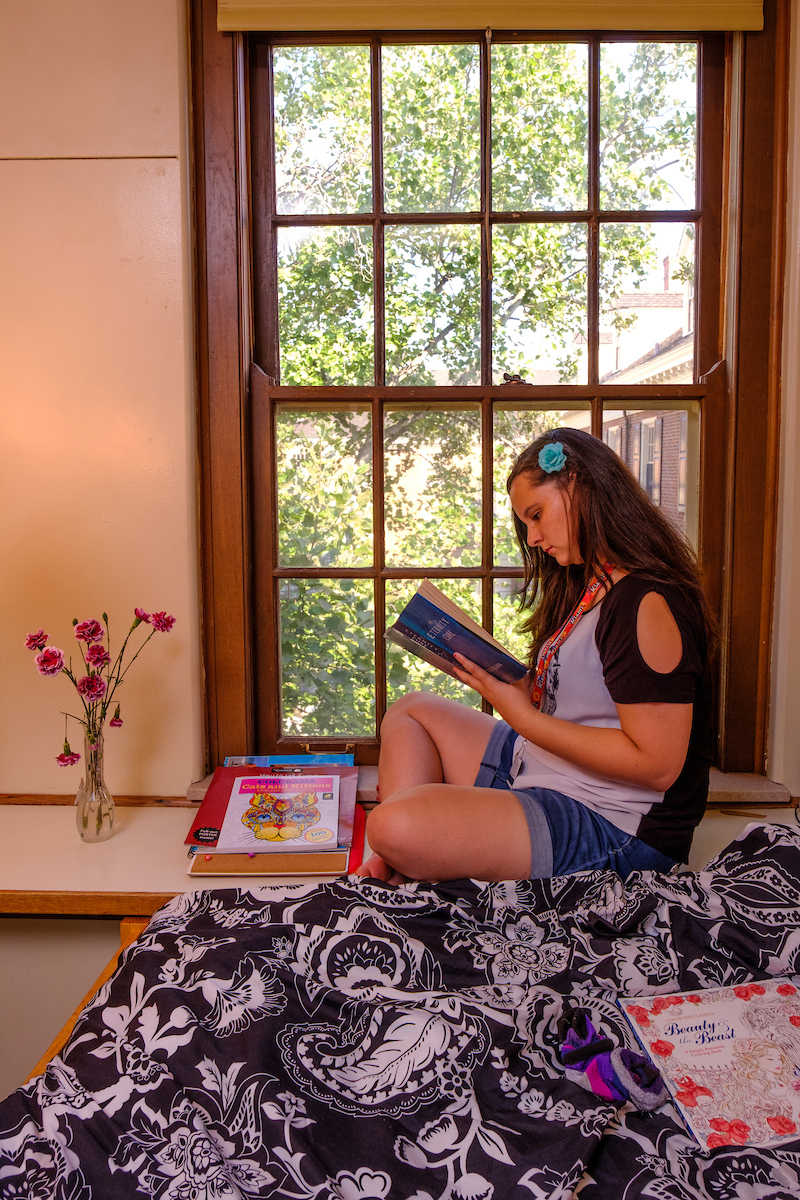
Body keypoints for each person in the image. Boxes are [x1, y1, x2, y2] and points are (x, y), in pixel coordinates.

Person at [356, 426, 714, 885]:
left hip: (613, 824)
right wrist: (526, 689)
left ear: (581, 486)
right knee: (411, 711)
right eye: (526, 523)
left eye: (537, 514)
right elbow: (590, 703)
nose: (533, 536)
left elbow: (657, 766)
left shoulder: (646, 602)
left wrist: (522, 717)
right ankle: (403, 861)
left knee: (390, 824)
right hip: (547, 768)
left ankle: (403, 852)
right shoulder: (592, 583)